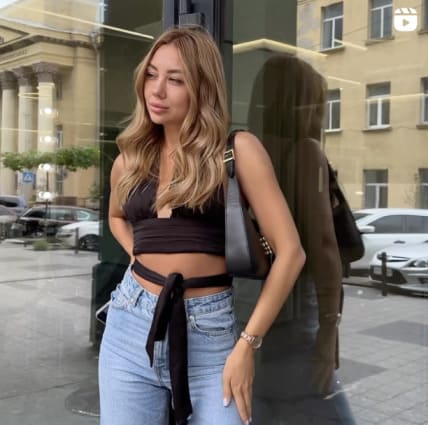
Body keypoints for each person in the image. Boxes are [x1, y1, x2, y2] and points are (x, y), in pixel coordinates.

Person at [98, 27, 305, 425]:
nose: (157, 90)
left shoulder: (236, 150)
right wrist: (138, 257)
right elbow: (116, 216)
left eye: (175, 80)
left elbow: (291, 253)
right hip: (129, 323)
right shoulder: (131, 158)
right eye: (152, 75)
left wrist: (247, 345)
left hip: (210, 333)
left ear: (202, 87)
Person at [239, 54, 357, 424]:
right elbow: (323, 247)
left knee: (262, 410)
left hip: (250, 306)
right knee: (328, 411)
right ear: (298, 106)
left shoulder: (245, 150)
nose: (320, 118)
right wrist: (329, 329)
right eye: (318, 106)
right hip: (296, 310)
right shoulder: (306, 151)